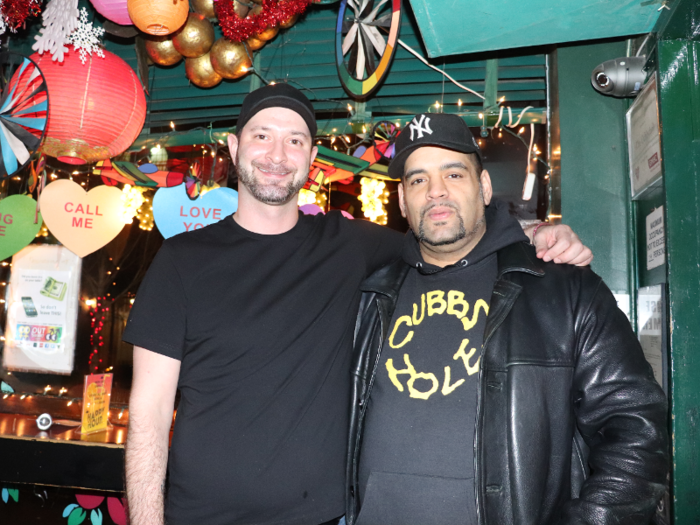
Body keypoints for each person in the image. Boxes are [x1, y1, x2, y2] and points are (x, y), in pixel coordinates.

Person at [123, 84, 592, 525]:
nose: (277, 155)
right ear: (233, 147)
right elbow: (150, 412)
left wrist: (535, 234)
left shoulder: (348, 245)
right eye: (262, 136)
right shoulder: (183, 260)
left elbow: (447, 236)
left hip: (324, 517)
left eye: (295, 140)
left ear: (311, 156)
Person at [346, 113, 669, 525]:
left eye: (454, 174)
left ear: (483, 188)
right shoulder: (372, 295)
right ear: (403, 202)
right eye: (418, 180)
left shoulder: (566, 292)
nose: (435, 192)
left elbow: (637, 428)